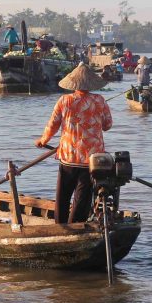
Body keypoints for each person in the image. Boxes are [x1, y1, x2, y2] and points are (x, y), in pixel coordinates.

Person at [35, 63, 112, 224]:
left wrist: (43, 140)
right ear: (91, 84)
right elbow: (107, 125)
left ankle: (61, 226)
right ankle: (76, 226)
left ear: (74, 85)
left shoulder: (64, 100)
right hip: (91, 159)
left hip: (68, 156)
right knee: (82, 197)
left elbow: (53, 124)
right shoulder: (99, 100)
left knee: (63, 195)